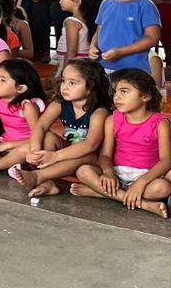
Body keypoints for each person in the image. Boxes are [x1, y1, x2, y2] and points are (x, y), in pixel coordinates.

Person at [71, 69, 170, 217]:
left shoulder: (160, 124)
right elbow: (105, 155)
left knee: (162, 188)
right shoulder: (112, 120)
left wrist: (141, 183)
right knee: (83, 171)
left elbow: (166, 160)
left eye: (124, 91)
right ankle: (144, 204)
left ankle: (101, 193)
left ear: (146, 96)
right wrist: (108, 172)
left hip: (147, 176)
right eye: (115, 92)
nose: (116, 97)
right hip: (117, 175)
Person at [14, 58, 111, 197]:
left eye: (72, 83)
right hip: (68, 153)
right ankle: (49, 183)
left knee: (86, 153)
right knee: (48, 137)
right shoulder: (60, 104)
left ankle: (38, 176)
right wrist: (35, 151)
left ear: (91, 86)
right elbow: (40, 127)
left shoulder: (99, 112)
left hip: (94, 158)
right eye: (64, 81)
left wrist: (55, 156)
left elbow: (91, 145)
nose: (64, 87)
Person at [91, 0, 161, 75]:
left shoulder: (145, 6)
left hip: (133, 71)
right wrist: (93, 46)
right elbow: (99, 31)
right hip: (103, 67)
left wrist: (121, 52)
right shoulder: (105, 4)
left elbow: (152, 38)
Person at [54, 0, 100, 76]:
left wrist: (63, 73)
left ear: (77, 1)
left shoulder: (71, 22)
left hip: (72, 66)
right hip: (83, 65)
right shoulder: (89, 19)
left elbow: (71, 52)